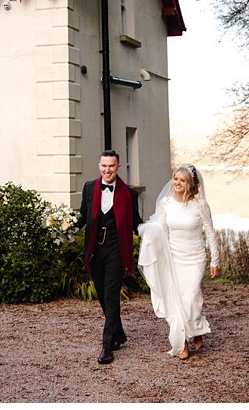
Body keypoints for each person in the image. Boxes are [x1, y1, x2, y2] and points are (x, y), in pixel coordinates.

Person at [137, 163, 220, 360]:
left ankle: (196, 328)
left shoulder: (200, 205)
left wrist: (214, 260)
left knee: (190, 298)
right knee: (176, 300)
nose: (177, 183)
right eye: (175, 179)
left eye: (182, 180)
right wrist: (148, 231)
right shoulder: (167, 203)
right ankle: (181, 342)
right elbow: (160, 226)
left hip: (195, 258)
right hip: (174, 257)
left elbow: (210, 232)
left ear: (190, 184)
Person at [77, 150, 136, 365]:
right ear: (99, 166)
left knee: (111, 296)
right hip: (94, 250)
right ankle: (119, 332)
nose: (107, 170)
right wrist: (65, 225)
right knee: (102, 296)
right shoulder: (89, 187)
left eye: (111, 166)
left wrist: (154, 232)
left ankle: (107, 346)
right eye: (104, 166)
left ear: (118, 167)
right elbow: (84, 216)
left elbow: (136, 222)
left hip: (116, 251)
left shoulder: (129, 194)